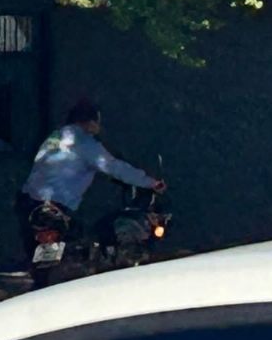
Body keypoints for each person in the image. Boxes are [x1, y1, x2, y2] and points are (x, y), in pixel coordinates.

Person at [16, 100, 166, 263]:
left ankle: (44, 280)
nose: (99, 127)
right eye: (97, 121)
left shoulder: (56, 137)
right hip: (56, 206)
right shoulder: (84, 142)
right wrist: (151, 182)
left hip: (30, 202)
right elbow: (113, 167)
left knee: (44, 261)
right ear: (90, 122)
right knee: (81, 248)